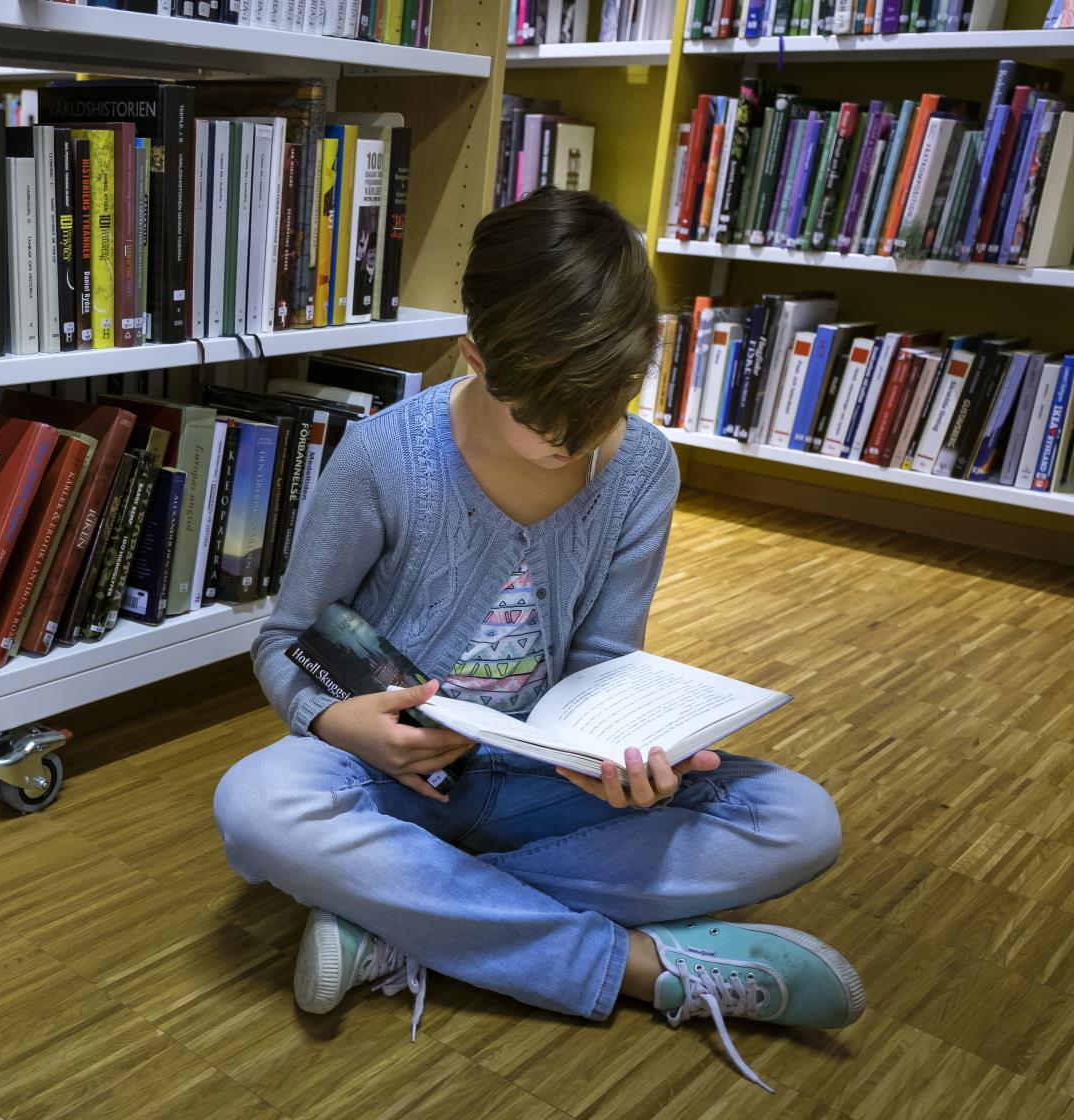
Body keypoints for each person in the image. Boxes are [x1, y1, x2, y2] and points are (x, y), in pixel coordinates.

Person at [212, 188, 860, 1092]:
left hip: (551, 785)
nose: (567, 446)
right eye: (542, 420)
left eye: (597, 415)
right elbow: (285, 640)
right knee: (257, 801)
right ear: (475, 357)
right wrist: (339, 724)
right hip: (393, 778)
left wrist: (630, 753)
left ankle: (400, 912)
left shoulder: (640, 464)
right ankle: (640, 968)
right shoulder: (382, 458)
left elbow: (604, 660)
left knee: (798, 821)